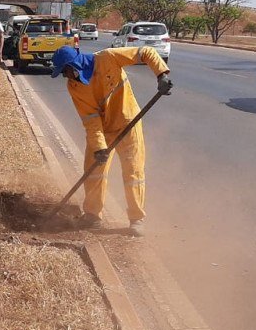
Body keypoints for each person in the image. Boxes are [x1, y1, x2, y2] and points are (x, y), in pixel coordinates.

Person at [50, 44, 172, 237]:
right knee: (93, 171)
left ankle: (136, 219)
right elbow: (90, 118)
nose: (65, 76)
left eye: (65, 71)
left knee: (133, 171)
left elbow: (146, 52)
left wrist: (161, 74)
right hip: (103, 131)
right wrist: (99, 148)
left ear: (74, 65)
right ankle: (92, 215)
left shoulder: (108, 58)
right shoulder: (74, 87)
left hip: (128, 123)